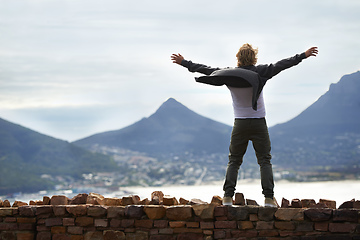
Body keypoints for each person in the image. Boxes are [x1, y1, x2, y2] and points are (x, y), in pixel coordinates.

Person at [171, 44, 318, 207]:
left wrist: (184, 62)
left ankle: (227, 197)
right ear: (254, 57)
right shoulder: (261, 72)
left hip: (239, 124)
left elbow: (206, 69)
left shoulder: (229, 74)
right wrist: (302, 55)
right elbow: (282, 65)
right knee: (264, 161)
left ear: (238, 59)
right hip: (259, 124)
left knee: (234, 161)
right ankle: (269, 199)